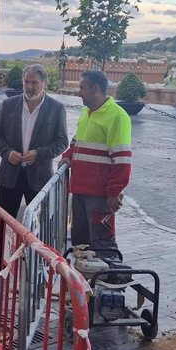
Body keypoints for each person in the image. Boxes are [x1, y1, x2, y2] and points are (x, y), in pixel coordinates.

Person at [0, 64, 68, 273]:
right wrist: (7, 153)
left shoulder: (56, 108)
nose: (30, 86)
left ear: (44, 83)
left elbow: (62, 142)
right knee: (4, 222)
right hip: (10, 175)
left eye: (34, 82)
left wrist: (40, 153)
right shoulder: (8, 105)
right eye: (27, 82)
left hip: (39, 177)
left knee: (39, 225)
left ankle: (37, 267)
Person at [61, 70, 132, 250]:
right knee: (80, 243)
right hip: (79, 191)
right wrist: (67, 157)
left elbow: (122, 160)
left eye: (82, 88)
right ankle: (82, 277)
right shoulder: (87, 112)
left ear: (96, 88)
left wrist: (113, 192)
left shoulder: (118, 116)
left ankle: (106, 277)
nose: (79, 92)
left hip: (100, 196)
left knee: (102, 244)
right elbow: (77, 143)